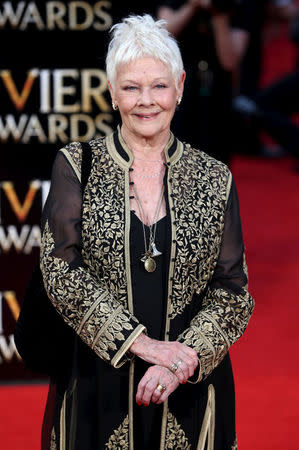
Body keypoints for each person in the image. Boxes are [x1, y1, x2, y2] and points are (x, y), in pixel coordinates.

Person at [39, 15, 254, 450]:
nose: (146, 101)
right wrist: (141, 345)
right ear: (112, 92)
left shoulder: (215, 178)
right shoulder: (76, 165)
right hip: (97, 389)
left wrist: (178, 361)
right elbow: (60, 271)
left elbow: (233, 292)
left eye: (158, 85)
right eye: (132, 87)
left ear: (179, 86)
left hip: (191, 393)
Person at [156, 0, 251, 164]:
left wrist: (219, 16)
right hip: (178, 85)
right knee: (176, 153)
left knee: (216, 156)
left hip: (218, 90)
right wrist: (191, 6)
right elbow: (161, 37)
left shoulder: (237, 5)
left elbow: (229, 61)